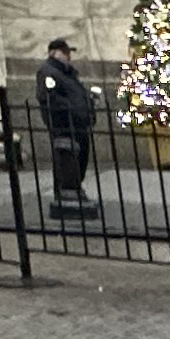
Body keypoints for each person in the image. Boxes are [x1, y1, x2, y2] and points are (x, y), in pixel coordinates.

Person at [38, 37, 99, 214]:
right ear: (53, 53)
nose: (68, 56)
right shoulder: (48, 72)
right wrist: (72, 109)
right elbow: (49, 97)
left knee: (81, 158)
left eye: (69, 52)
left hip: (78, 122)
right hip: (64, 123)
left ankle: (75, 188)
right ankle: (67, 191)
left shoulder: (69, 72)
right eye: (64, 52)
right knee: (67, 158)